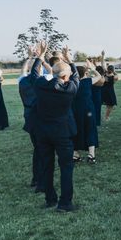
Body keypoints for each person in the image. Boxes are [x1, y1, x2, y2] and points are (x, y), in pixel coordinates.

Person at [32, 42, 79, 211]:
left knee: (47, 165)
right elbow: (76, 76)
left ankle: (50, 199)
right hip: (62, 133)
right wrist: (69, 59)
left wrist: (40, 56)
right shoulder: (70, 89)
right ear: (65, 76)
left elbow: (34, 74)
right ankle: (65, 203)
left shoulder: (40, 86)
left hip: (43, 132)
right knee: (66, 167)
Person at [18, 46, 42, 190]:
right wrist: (41, 56)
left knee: (37, 148)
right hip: (40, 117)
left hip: (29, 117)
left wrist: (29, 57)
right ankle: (39, 179)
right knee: (41, 149)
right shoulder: (41, 82)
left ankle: (36, 178)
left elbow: (23, 71)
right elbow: (51, 71)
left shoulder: (22, 81)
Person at [72, 60, 100, 163]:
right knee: (90, 128)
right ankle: (91, 155)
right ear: (85, 73)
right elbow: (99, 76)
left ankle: (75, 154)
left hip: (75, 110)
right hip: (88, 109)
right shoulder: (88, 81)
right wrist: (92, 68)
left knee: (76, 129)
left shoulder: (72, 83)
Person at [91, 52, 106, 127]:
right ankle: (97, 121)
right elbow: (102, 66)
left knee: (94, 108)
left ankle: (95, 121)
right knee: (97, 108)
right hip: (98, 94)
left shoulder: (96, 79)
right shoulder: (102, 77)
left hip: (94, 95)